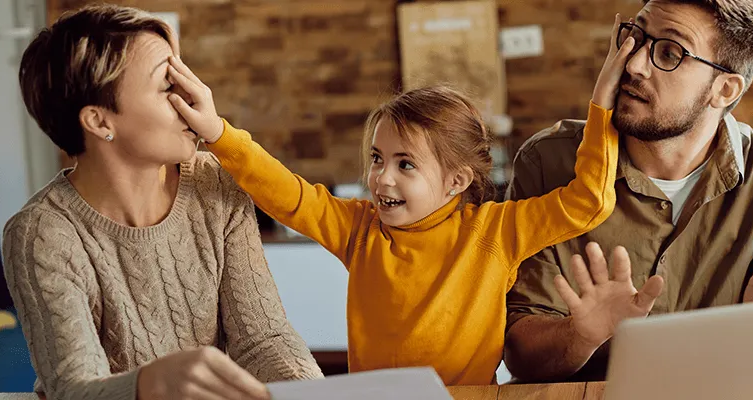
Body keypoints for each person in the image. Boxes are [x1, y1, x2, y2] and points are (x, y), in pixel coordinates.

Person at [164, 14, 639, 385]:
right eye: (377, 158)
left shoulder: (496, 231)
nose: (381, 178)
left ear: (455, 181)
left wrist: (602, 106)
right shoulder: (359, 229)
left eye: (405, 164)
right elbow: (289, 194)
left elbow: (588, 201)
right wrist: (218, 133)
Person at [503, 0, 753, 382]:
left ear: (724, 89)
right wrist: (580, 335)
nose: (633, 65)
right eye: (636, 36)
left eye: (669, 52)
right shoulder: (548, 162)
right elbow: (519, 352)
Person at [4, 5, 322, 399]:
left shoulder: (215, 181)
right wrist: (146, 384)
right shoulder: (41, 235)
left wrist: (311, 394)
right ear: (100, 122)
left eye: (183, 75)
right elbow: (73, 389)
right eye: (167, 85)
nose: (195, 98)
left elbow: (263, 339)